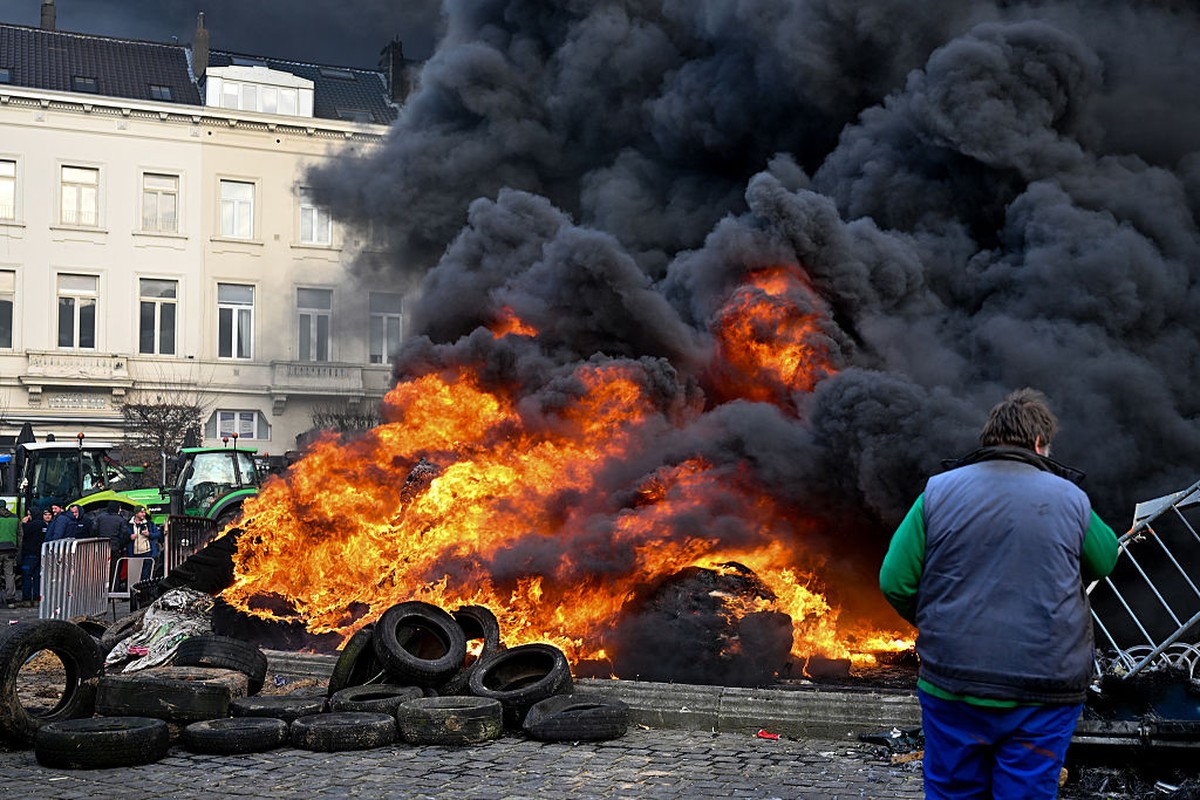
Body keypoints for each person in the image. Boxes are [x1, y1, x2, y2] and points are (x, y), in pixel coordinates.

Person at [879, 388, 1120, 799]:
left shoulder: (936, 493)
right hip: (1044, 690)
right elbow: (1105, 558)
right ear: (1040, 443)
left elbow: (895, 581)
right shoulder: (1071, 499)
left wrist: (940, 624)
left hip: (954, 683)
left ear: (988, 439)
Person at [19, 508, 51, 607]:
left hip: (29, 554)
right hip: (40, 554)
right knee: (37, 577)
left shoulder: (30, 525)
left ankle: (27, 599)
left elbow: (22, 534)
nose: (28, 517)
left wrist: (23, 524)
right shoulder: (43, 525)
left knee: (27, 577)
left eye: (29, 514)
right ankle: (37, 599)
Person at [93, 500, 129, 588]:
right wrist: (121, 546)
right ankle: (114, 590)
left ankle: (101, 590)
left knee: (101, 570)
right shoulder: (121, 520)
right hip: (115, 548)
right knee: (115, 570)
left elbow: (94, 530)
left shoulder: (99, 518)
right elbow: (124, 535)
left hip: (101, 547)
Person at [127, 506, 162, 582]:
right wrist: (130, 537)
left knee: (146, 575)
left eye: (144, 512)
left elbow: (158, 534)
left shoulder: (150, 524)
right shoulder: (128, 524)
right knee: (134, 576)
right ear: (136, 513)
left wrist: (149, 534)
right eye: (141, 512)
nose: (144, 514)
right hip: (134, 553)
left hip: (147, 552)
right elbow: (123, 536)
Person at [0, 499, 18, 608]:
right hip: (10, 549)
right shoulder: (15, 518)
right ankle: (10, 600)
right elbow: (20, 535)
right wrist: (17, 548)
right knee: (9, 575)